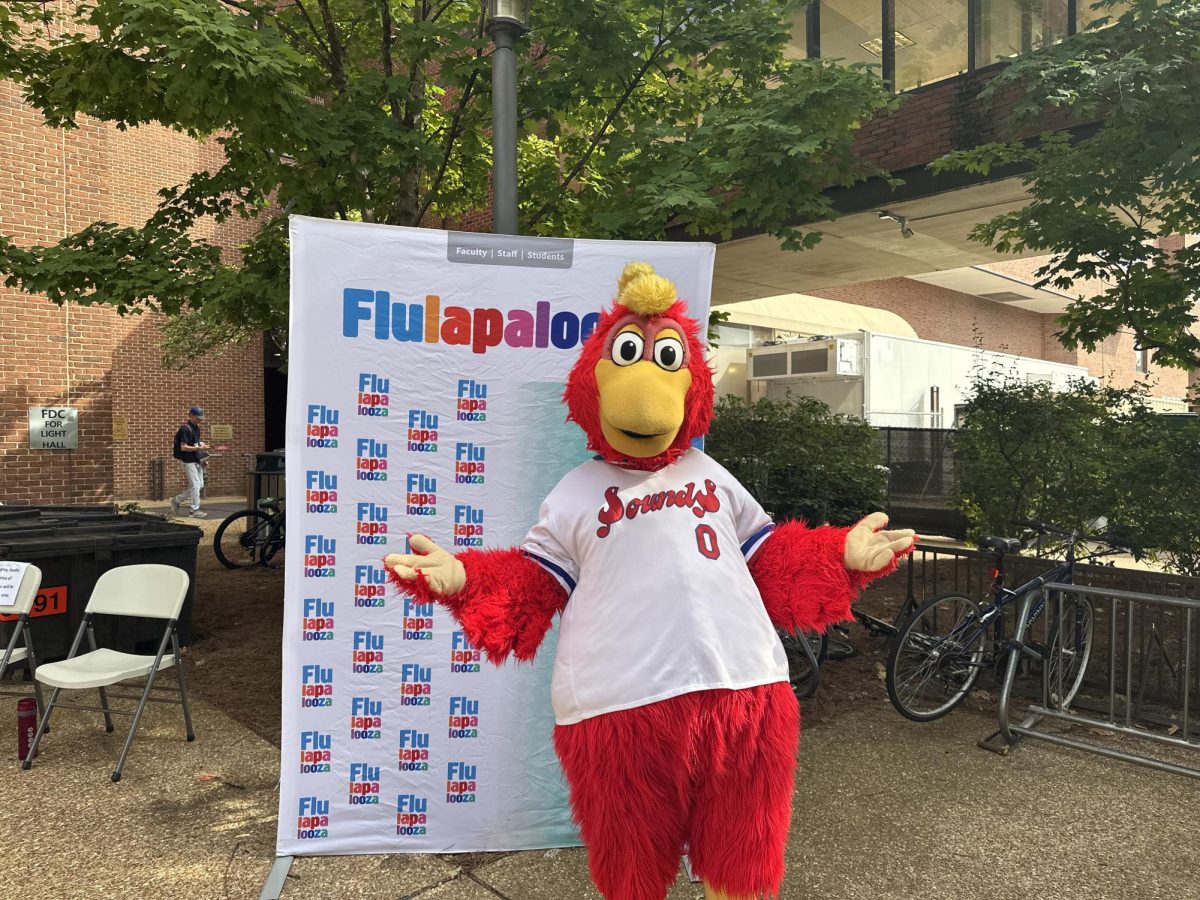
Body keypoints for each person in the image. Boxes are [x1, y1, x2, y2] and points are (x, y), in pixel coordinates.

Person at [170, 406, 209, 518]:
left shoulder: (197, 428)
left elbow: (194, 444)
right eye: (198, 418)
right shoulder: (185, 429)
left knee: (199, 485)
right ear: (191, 416)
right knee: (196, 485)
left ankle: (176, 500)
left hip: (196, 459)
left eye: (201, 418)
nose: (200, 420)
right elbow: (184, 447)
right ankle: (194, 510)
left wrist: (202, 457)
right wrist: (199, 449)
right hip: (188, 461)